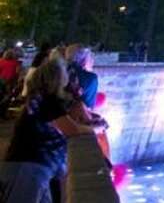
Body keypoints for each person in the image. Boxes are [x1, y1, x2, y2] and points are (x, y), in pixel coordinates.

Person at [0, 56, 94, 203]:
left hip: (30, 167)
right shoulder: (48, 101)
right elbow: (72, 129)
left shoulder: (41, 98)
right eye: (65, 72)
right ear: (57, 77)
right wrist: (95, 129)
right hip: (28, 168)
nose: (67, 77)